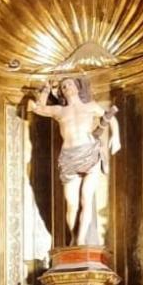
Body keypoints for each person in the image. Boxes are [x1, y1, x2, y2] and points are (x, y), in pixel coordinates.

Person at [28, 76, 120, 246]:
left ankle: (80, 240)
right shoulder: (59, 110)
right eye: (63, 86)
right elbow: (38, 108)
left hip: (89, 153)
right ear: (61, 92)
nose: (66, 87)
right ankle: (73, 237)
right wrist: (46, 91)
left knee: (86, 199)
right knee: (71, 204)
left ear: (78, 87)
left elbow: (111, 118)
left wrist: (117, 137)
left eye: (69, 84)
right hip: (69, 157)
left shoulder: (90, 106)